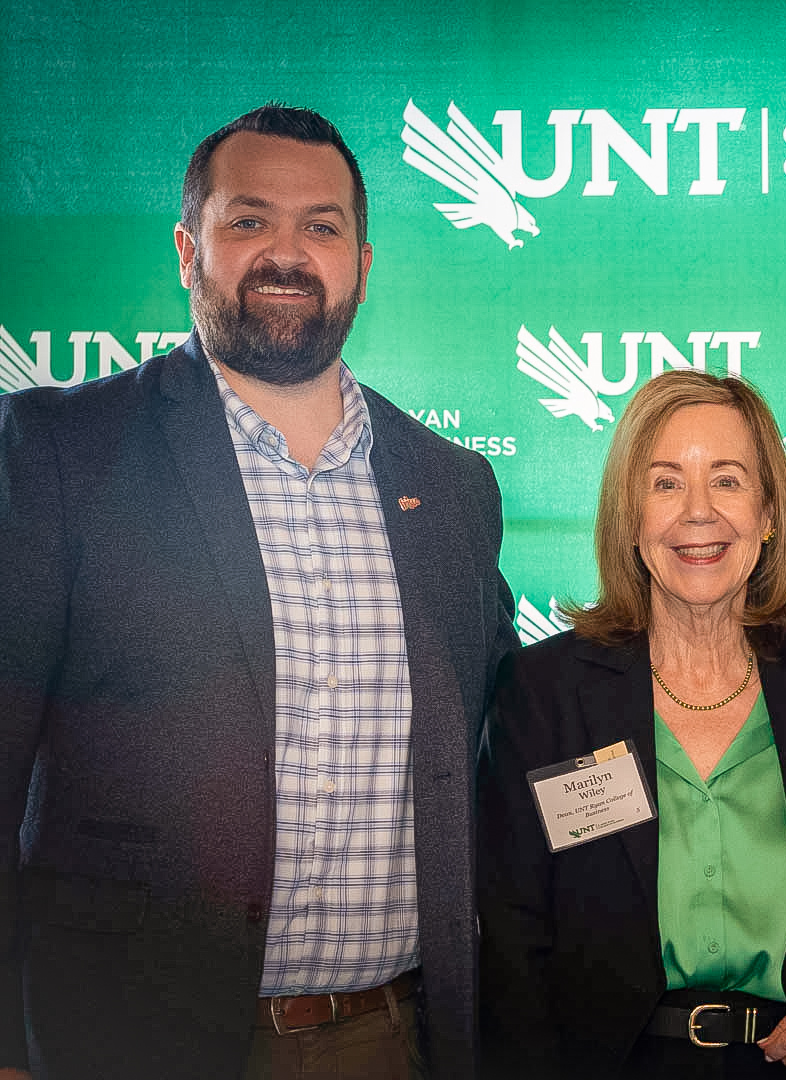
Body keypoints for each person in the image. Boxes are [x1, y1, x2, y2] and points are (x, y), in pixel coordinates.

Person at [0, 104, 518, 1079]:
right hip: (124, 1041)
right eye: (249, 221)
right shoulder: (55, 453)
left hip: (393, 1039)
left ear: (363, 262)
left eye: (320, 226)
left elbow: (508, 733)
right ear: (188, 249)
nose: (287, 252)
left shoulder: (450, 487)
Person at [478, 369, 786, 1079]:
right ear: (628, 514)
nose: (696, 514)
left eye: (728, 481)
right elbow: (511, 936)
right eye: (665, 483)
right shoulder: (546, 691)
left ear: (769, 514)